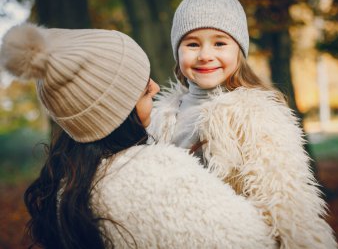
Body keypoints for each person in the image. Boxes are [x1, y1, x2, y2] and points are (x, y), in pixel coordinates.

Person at [0, 23, 276, 248]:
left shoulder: (66, 184)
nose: (156, 87)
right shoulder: (160, 173)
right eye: (144, 88)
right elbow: (257, 241)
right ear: (117, 111)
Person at [148, 0, 338, 248]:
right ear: (177, 51)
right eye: (192, 44)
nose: (205, 55)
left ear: (239, 50)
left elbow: (286, 203)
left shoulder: (257, 116)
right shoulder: (161, 116)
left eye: (219, 43)